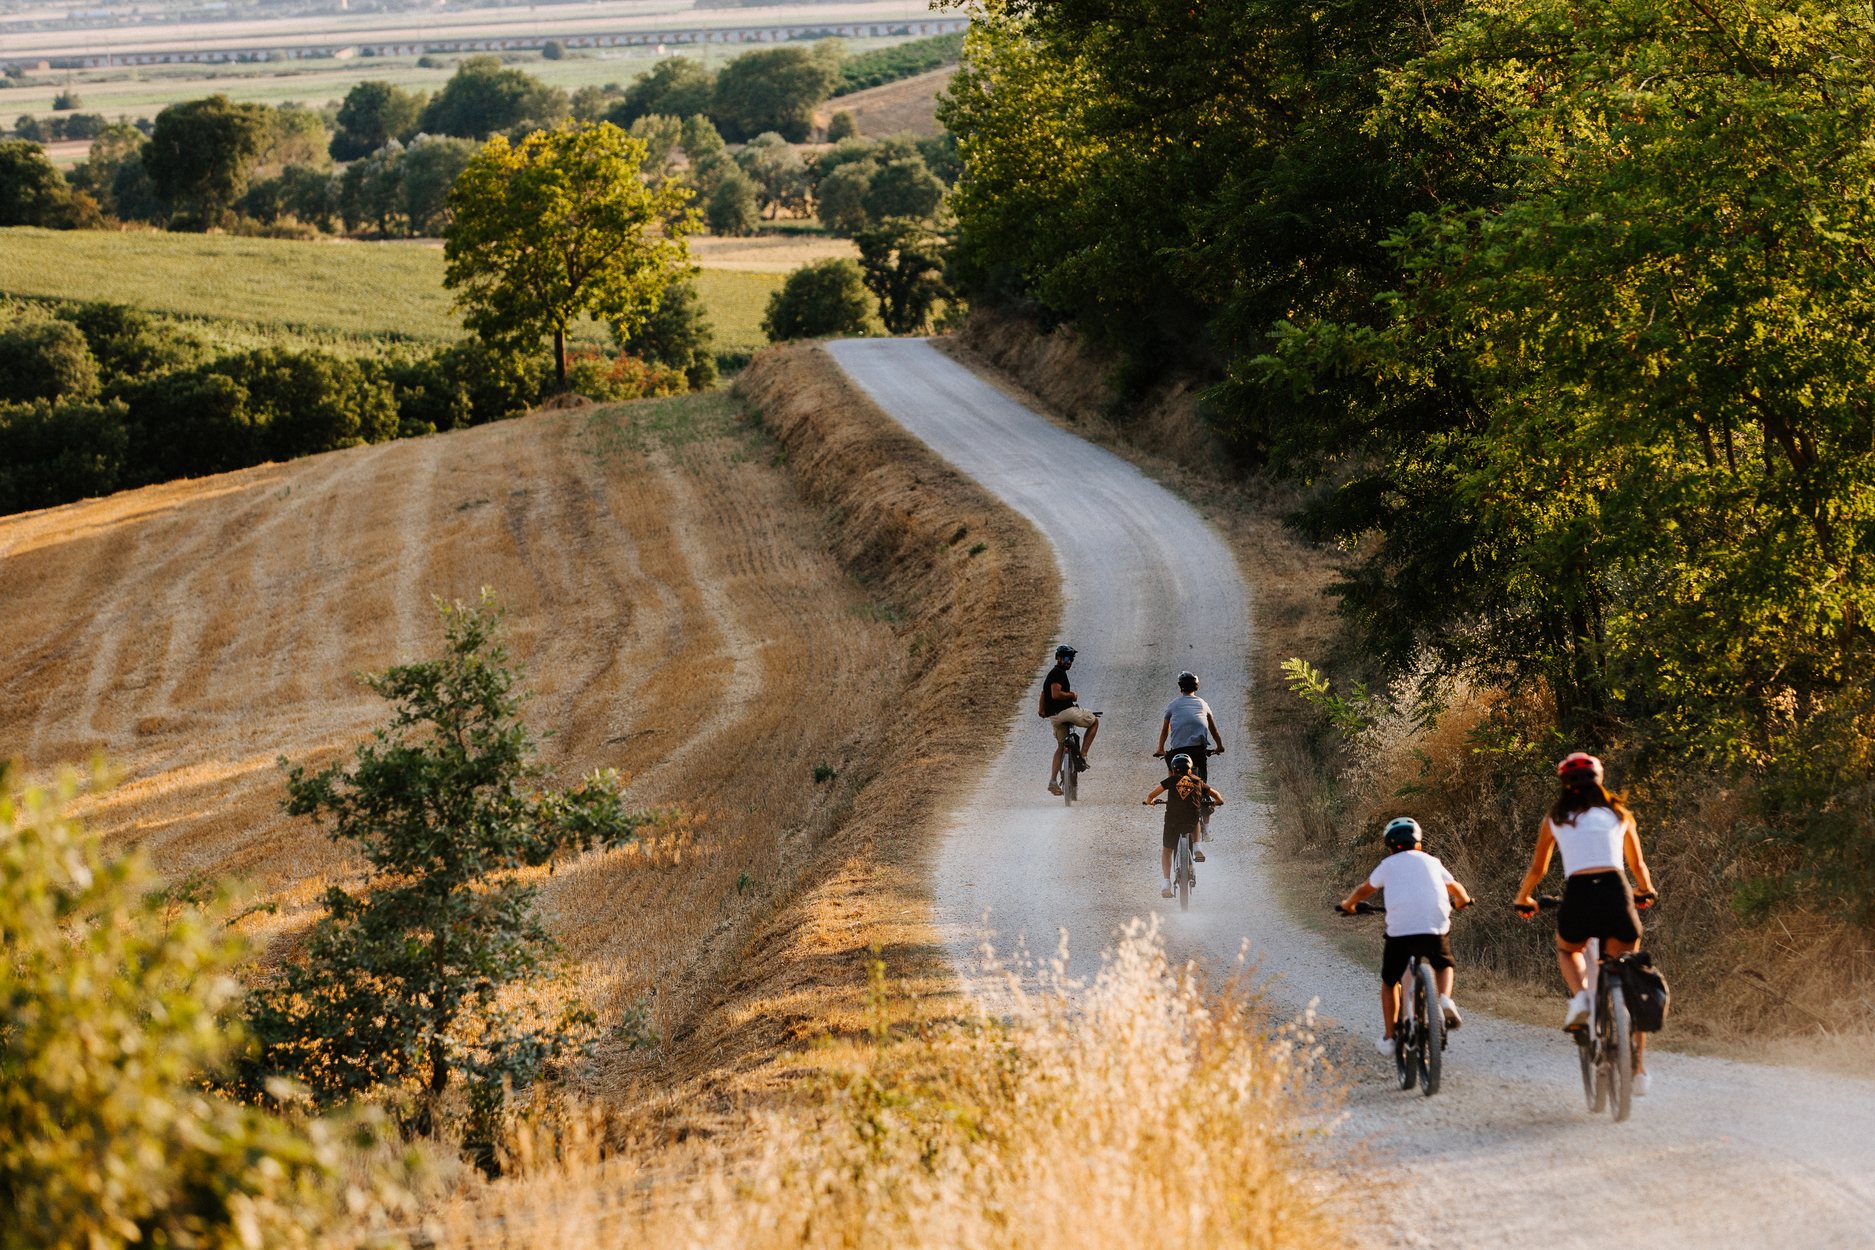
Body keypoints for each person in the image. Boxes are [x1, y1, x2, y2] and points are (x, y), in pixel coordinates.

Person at [1513, 752, 1659, 1094]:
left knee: (1568, 948)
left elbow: (1538, 870)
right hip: (1616, 892)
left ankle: (1580, 998)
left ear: (1564, 785)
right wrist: (1645, 890)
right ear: (1600, 780)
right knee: (1632, 975)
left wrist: (1524, 898)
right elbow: (1636, 864)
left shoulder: (1555, 818)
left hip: (1578, 894)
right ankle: (1637, 1071)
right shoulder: (1619, 814)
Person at [1338, 817, 1473, 1058]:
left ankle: (1390, 1038)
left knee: (1390, 982)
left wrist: (1349, 905)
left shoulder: (1387, 864)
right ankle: (1444, 1001)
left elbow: (1363, 890)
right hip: (1435, 928)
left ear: (1389, 847)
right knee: (1444, 963)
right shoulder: (1433, 862)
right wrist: (1462, 902)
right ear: (1419, 844)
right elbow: (1456, 888)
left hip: (1401, 934)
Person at [1142, 753, 1222, 897]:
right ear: (1190, 770)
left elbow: (1151, 795)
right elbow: (1216, 795)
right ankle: (1197, 845)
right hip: (1190, 819)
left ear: (1173, 771)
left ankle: (1166, 882)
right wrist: (1217, 802)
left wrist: (1150, 802)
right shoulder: (1197, 780)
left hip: (1173, 820)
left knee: (1167, 850)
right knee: (1195, 815)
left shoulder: (1170, 780)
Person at [1039, 644, 1099, 796]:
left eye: (1071, 659)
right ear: (1058, 658)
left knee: (1060, 746)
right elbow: (1055, 694)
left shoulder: (1052, 674)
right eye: (1066, 658)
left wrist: (1042, 711)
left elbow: (1043, 694)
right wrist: (1072, 695)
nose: (1069, 661)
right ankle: (1083, 756)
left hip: (1054, 716)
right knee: (1094, 721)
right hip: (1066, 712)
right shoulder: (1058, 673)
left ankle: (1053, 780)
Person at [1155, 670, 1224, 784]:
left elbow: (1165, 730)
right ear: (1196, 686)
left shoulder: (1173, 704)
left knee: (1171, 768)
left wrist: (1160, 749)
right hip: (1198, 750)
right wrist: (1219, 746)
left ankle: (1172, 789)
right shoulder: (1203, 704)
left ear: (1180, 686)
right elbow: (1213, 730)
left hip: (1178, 751)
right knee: (1201, 773)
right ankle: (1203, 793)